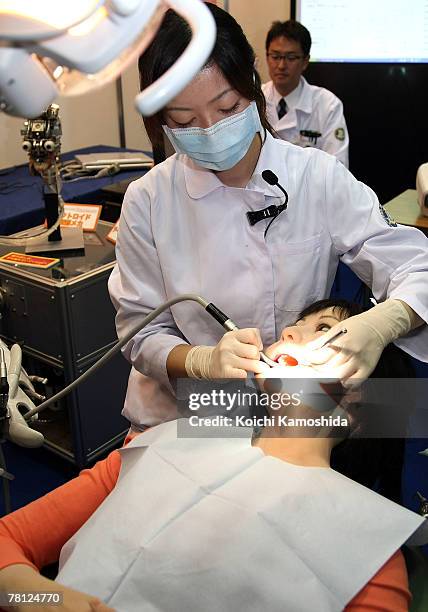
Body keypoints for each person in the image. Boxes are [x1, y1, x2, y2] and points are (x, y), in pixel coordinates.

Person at [108, 3, 428, 432]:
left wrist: (380, 324)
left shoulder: (316, 177)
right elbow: (140, 333)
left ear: (251, 82)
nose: (208, 130)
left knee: (389, 424)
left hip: (289, 409)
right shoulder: (148, 201)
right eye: (184, 120)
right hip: (185, 414)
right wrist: (203, 362)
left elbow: (417, 265)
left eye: (226, 108)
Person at [0, 300, 425, 611]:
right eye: (296, 324)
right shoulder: (156, 445)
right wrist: (35, 594)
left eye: (324, 329)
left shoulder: (369, 554)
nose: (290, 333)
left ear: (357, 403)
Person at [261, 20, 349, 167]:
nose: (281, 65)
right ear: (267, 57)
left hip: (311, 189)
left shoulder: (328, 105)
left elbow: (338, 168)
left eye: (291, 58)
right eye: (275, 57)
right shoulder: (255, 100)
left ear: (305, 61)